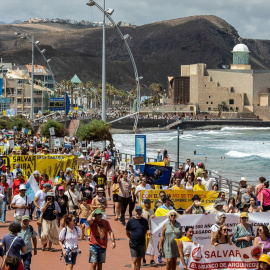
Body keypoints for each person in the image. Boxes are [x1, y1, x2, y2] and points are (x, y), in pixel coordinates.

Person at [126, 206, 151, 270]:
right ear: (135, 211)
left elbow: (146, 230)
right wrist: (131, 238)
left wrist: (148, 232)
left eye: (140, 211)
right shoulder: (130, 221)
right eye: (137, 210)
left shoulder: (144, 221)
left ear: (141, 212)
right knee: (134, 259)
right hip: (133, 243)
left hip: (142, 243)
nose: (138, 212)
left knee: (139, 259)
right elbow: (127, 232)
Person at [141, 199, 156, 266]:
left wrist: (154, 217)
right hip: (144, 231)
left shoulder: (152, 211)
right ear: (144, 204)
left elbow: (155, 220)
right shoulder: (142, 212)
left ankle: (152, 259)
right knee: (143, 245)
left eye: (150, 203)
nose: (149, 204)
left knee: (152, 246)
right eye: (147, 203)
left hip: (151, 231)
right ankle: (143, 259)